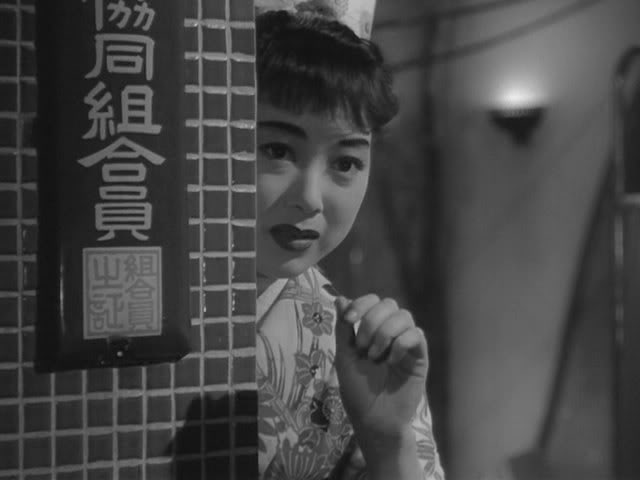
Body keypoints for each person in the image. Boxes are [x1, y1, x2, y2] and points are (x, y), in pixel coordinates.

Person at [255, 4, 445, 479]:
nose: (310, 198)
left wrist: (388, 441)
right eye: (277, 150)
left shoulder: (363, 354)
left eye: (345, 163)